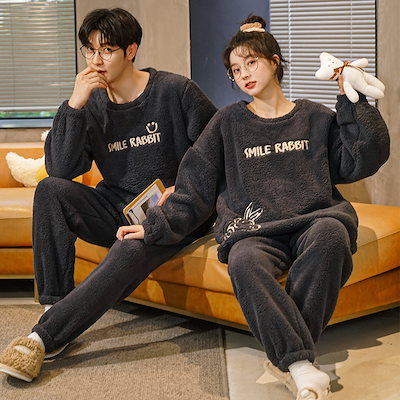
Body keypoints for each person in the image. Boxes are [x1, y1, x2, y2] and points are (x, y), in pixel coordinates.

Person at [115, 16, 390, 400]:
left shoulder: (314, 116)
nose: (243, 73)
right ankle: (298, 364)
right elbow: (195, 184)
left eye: (251, 62)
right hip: (254, 229)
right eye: (235, 69)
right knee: (243, 260)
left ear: (274, 61)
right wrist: (156, 224)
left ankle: (290, 361)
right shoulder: (227, 123)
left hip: (315, 219)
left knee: (332, 237)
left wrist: (352, 100)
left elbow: (361, 159)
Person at [0, 8, 216, 382]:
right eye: (89, 50)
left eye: (107, 50)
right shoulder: (91, 105)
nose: (96, 60)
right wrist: (74, 105)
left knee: (130, 247)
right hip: (118, 208)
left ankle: (43, 337)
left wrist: (183, 188)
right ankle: (55, 307)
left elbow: (218, 150)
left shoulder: (175, 91)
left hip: (172, 213)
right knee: (50, 190)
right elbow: (60, 169)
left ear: (131, 50)